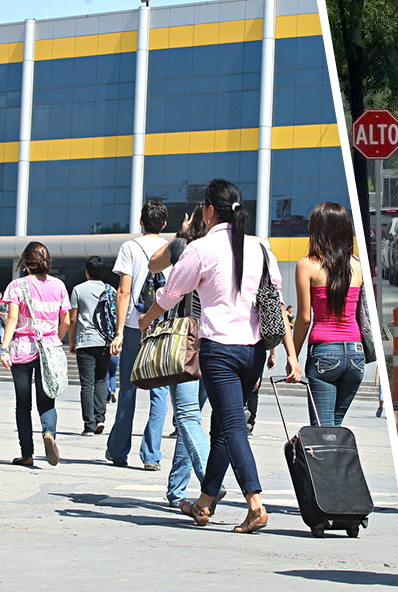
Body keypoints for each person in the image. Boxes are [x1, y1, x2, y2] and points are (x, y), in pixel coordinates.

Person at [139, 179, 301, 533]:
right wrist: (283, 352)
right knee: (225, 429)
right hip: (254, 351)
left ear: (209, 210)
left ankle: (255, 504)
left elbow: (169, 293)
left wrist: (145, 319)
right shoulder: (261, 248)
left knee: (231, 427)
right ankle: (204, 502)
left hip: (220, 351)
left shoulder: (201, 249)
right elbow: (274, 299)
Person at [143, 205, 225, 509]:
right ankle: (177, 492)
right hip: (218, 341)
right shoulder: (228, 251)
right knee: (191, 418)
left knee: (187, 416)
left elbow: (153, 264)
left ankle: (209, 483)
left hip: (185, 339)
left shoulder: (185, 247)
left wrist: (181, 232)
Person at [106, 200, 171, 471]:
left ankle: (119, 451)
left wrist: (118, 331)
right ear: (164, 224)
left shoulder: (129, 247)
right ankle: (152, 455)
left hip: (134, 326)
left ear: (141, 221)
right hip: (163, 326)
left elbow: (123, 291)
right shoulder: (174, 248)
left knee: (128, 391)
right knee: (160, 392)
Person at [292, 202, 366, 427]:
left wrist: (292, 356)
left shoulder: (307, 265)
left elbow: (304, 318)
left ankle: (325, 463)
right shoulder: (358, 266)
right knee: (333, 426)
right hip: (355, 354)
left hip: (324, 353)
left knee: (323, 431)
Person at [0, 242, 70, 467]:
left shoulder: (16, 286)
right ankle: (49, 434)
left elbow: (11, 319)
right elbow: (66, 320)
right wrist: (54, 340)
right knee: (47, 401)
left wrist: (4, 347)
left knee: (23, 404)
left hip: (22, 349)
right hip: (48, 349)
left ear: (26, 263)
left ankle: (27, 454)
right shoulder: (59, 286)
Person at [68, 256, 113, 436]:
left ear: (87, 271)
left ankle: (89, 425)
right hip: (104, 341)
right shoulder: (109, 290)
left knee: (87, 384)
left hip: (85, 342)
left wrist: (71, 341)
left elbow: (72, 319)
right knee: (101, 380)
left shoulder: (78, 290)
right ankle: (100, 418)